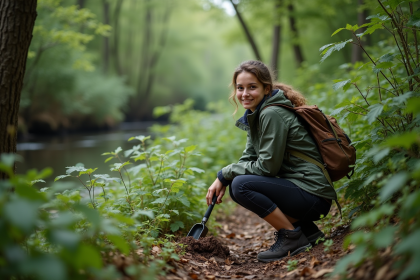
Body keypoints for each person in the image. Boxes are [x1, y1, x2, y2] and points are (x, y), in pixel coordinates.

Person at [206, 60, 337, 263]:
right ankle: (309, 232)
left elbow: (267, 167)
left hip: (312, 194)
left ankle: (292, 237)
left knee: (241, 186)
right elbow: (249, 156)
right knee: (238, 182)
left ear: (266, 89)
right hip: (305, 191)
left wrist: (226, 173)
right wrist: (223, 178)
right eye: (240, 88)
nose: (244, 94)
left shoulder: (271, 113)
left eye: (252, 87)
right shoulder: (256, 113)